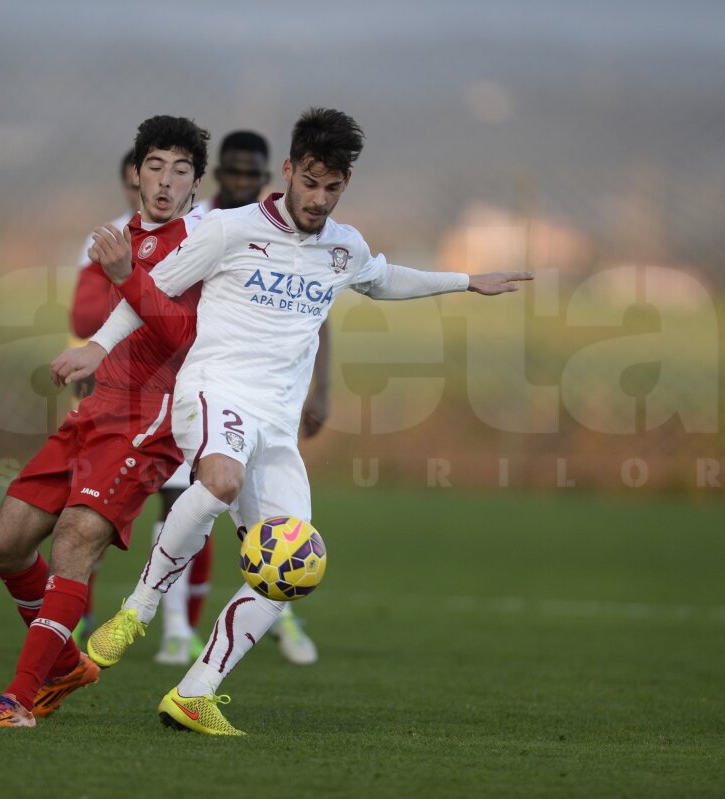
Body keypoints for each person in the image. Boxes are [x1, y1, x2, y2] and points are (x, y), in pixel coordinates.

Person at [61, 108, 532, 735]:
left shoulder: (343, 246)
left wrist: (468, 281)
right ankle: (139, 608)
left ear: (345, 186)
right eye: (309, 182)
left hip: (276, 426)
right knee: (220, 480)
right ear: (288, 172)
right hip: (214, 390)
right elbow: (155, 288)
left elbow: (384, 279)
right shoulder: (228, 230)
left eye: (332, 187)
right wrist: (96, 347)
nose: (318, 198)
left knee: (295, 564)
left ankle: (196, 690)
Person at [0, 115, 210, 728]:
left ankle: (19, 699)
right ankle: (65, 662)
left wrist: (122, 275)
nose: (165, 181)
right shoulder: (115, 238)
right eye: (155, 166)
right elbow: (87, 309)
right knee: (4, 544)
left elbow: (180, 332)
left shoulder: (198, 244)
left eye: (180, 171)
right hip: (95, 409)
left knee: (77, 537)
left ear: (194, 185)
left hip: (149, 417)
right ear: (135, 173)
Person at [157, 130, 326, 667]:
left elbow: (317, 314)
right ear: (217, 173)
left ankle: (276, 607)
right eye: (233, 171)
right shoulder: (201, 228)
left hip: (263, 402)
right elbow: (156, 297)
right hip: (189, 390)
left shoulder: (289, 234)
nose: (242, 181)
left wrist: (321, 388)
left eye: (252, 174)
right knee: (187, 501)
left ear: (265, 177)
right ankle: (173, 626)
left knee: (263, 519)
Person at [64, 149, 142, 647]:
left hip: (173, 394)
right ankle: (78, 615)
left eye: (168, 174)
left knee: (184, 510)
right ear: (124, 183)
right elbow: (81, 317)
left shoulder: (199, 237)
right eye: (140, 178)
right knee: (86, 510)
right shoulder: (105, 241)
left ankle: (175, 625)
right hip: (112, 393)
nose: (152, 189)